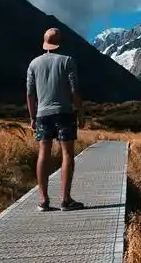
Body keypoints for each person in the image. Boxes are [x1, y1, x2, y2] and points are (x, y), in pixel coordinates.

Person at [26, 27, 85, 212]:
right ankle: (66, 200)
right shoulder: (68, 61)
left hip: (42, 114)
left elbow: (30, 94)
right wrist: (80, 112)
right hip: (65, 113)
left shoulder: (33, 64)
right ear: (61, 43)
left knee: (44, 153)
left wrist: (32, 117)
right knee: (67, 154)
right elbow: (75, 90)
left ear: (45, 43)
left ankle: (43, 200)